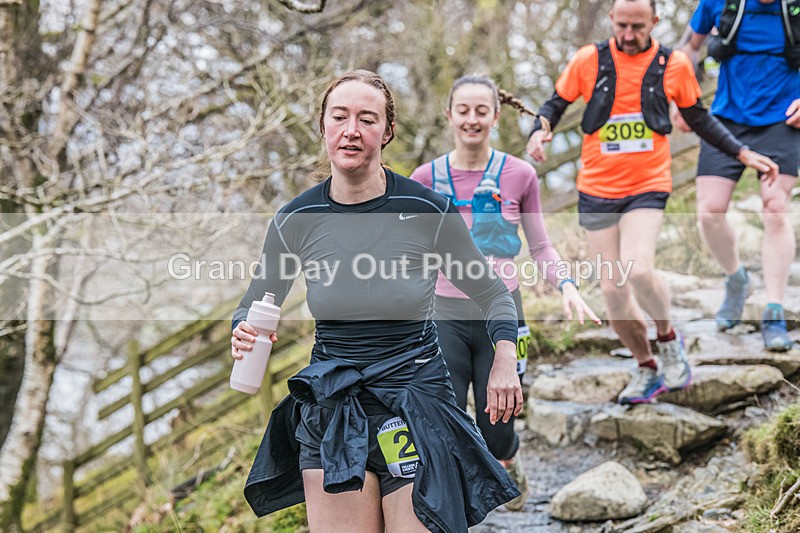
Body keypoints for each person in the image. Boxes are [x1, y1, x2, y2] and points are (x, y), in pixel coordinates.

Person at [230, 70, 523, 533]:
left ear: (386, 132)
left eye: (366, 119)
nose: (351, 130)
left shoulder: (428, 210)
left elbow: (492, 293)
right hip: (334, 408)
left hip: (416, 402)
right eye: (339, 116)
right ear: (322, 126)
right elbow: (256, 301)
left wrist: (505, 356)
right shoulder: (296, 220)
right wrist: (243, 328)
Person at [526, 0, 779, 404]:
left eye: (638, 27)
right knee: (611, 289)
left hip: (647, 184)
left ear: (654, 23)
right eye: (622, 25)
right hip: (596, 189)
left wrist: (742, 153)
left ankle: (667, 338)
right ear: (611, 20)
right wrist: (539, 132)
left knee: (639, 270)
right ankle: (646, 367)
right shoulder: (588, 60)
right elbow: (553, 106)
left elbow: (698, 118)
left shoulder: (673, 64)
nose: (628, 35)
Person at [409, 74, 601, 510]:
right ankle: (450, 505)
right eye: (463, 110)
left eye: (481, 111)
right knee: (444, 418)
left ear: (495, 116)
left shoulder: (520, 175)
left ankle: (508, 459)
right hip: (443, 315)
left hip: (504, 316)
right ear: (449, 115)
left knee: (496, 425)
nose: (472, 120)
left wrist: (566, 285)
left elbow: (540, 246)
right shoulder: (424, 178)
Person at [672, 0, 800, 352]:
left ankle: (774, 310)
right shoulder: (718, 3)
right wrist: (681, 98)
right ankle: (736, 280)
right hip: (726, 117)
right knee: (709, 212)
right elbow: (689, 48)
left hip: (783, 119)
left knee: (775, 208)